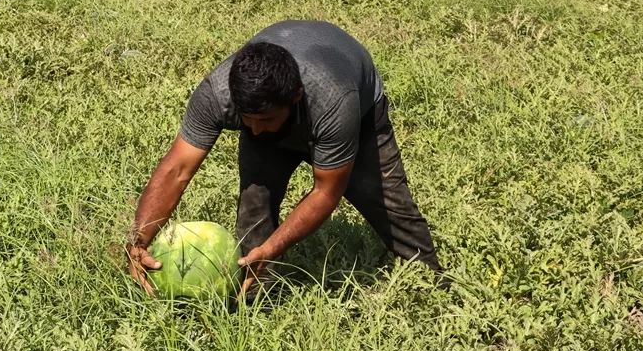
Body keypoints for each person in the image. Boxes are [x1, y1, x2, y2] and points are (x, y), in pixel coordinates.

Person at [126, 20, 446, 298]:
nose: (254, 129)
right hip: (291, 103)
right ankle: (255, 302)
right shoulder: (217, 93)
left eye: (264, 119)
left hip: (356, 114)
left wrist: (274, 247)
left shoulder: (335, 101)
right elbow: (176, 170)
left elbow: (326, 192)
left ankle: (432, 285)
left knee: (386, 201)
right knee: (254, 211)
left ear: (295, 98)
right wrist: (139, 241)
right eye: (246, 119)